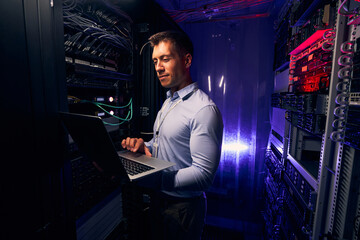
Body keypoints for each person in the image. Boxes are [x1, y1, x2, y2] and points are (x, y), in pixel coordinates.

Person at [121, 30, 223, 240]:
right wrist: (144, 146)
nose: (158, 67)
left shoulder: (203, 110)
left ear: (186, 60)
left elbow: (203, 176)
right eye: (155, 61)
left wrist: (157, 180)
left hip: (183, 209)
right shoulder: (169, 101)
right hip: (161, 201)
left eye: (165, 59)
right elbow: (162, 144)